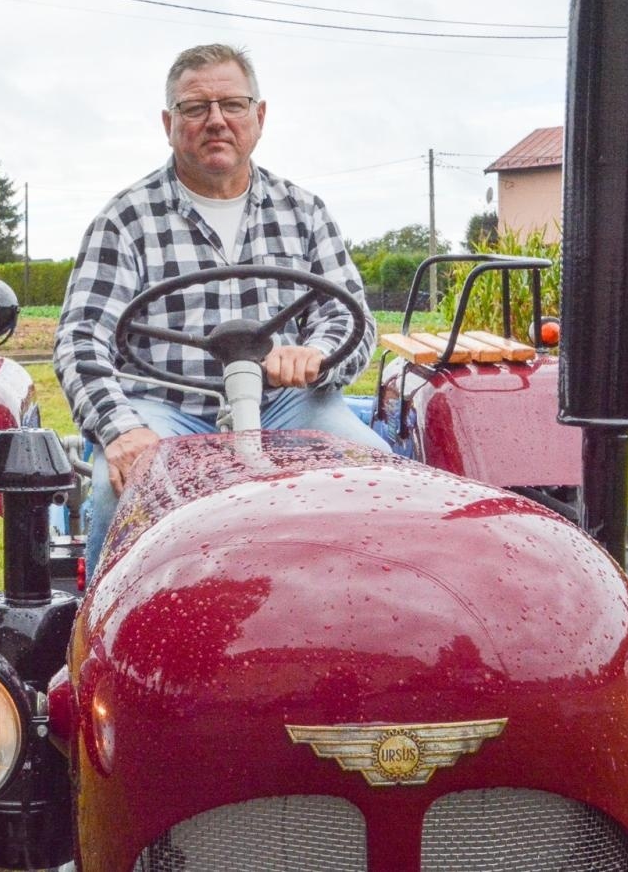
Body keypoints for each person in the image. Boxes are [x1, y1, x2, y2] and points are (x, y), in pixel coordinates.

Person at [54, 43, 386, 569]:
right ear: (169, 122)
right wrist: (120, 429)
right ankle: (102, 641)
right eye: (195, 108)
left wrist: (315, 355)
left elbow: (349, 317)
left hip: (285, 405)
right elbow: (80, 340)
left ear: (259, 116)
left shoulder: (303, 211)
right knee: (120, 489)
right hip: (167, 408)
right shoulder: (125, 220)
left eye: (232, 105)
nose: (216, 121)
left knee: (376, 476)